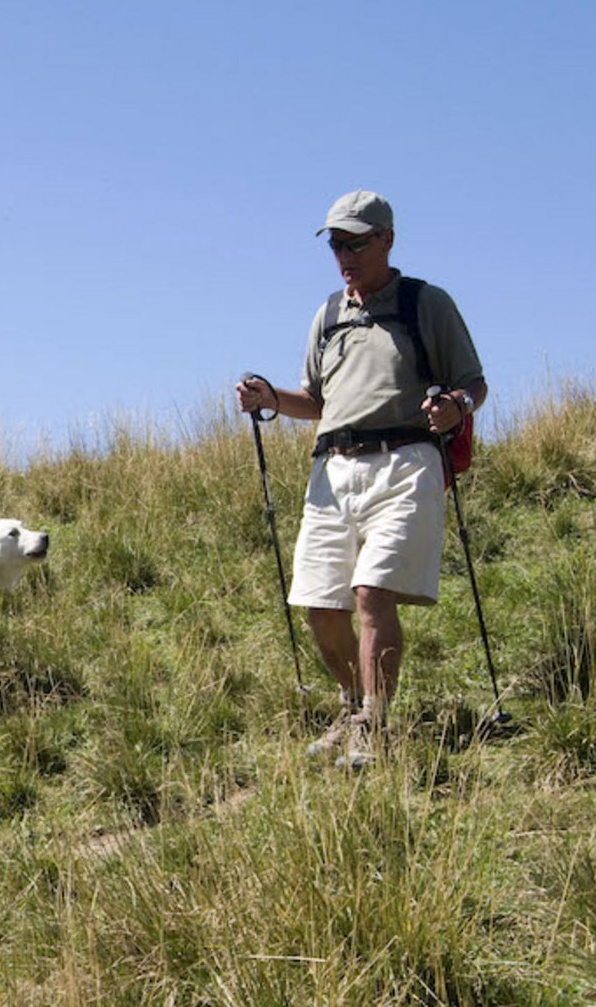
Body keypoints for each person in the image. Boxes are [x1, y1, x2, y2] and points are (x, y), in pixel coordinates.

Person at [235, 190, 486, 767]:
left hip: (405, 462)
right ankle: (351, 708)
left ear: (387, 240)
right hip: (332, 469)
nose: (344, 255)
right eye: (335, 245)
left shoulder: (427, 303)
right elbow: (317, 400)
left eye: (355, 243)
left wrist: (456, 406)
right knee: (320, 603)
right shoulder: (327, 316)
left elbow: (474, 382)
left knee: (370, 593)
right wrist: (272, 398)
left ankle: (374, 723)